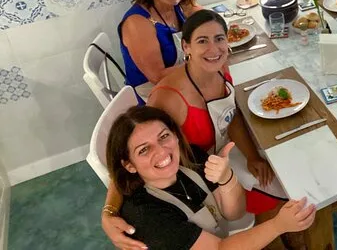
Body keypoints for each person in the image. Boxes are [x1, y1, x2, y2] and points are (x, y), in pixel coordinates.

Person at [103, 10, 286, 249]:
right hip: (197, 176)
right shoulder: (169, 98)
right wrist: (109, 211)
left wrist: (252, 156)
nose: (213, 49)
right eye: (202, 41)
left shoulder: (220, 67)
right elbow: (132, 155)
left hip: (219, 162)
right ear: (186, 46)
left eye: (219, 39)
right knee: (280, 193)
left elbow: (230, 116)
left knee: (281, 168)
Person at [104, 105, 316, 250]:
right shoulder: (147, 215)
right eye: (144, 150)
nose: (161, 151)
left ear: (175, 136)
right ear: (129, 165)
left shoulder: (191, 158)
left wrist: (226, 178)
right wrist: (278, 225)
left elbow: (234, 213)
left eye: (164, 136)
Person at [118, 0, 203, 99]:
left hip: (180, 80)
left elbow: (207, 18)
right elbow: (157, 76)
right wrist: (203, 62)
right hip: (151, 94)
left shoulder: (176, 5)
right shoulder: (137, 22)